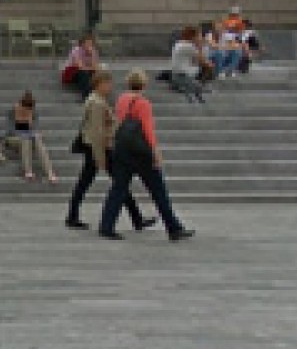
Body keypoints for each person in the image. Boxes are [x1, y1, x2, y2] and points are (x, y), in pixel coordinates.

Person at [98, 69, 194, 242]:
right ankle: (173, 227)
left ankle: (106, 225)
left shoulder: (121, 99)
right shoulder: (143, 103)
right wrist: (155, 152)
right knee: (158, 190)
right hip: (141, 152)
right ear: (144, 84)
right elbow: (148, 130)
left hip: (122, 149)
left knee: (118, 189)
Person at [66, 69, 155, 232]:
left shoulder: (97, 100)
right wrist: (100, 156)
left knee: (107, 183)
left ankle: (136, 217)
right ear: (100, 84)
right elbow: (97, 131)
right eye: (108, 83)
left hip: (97, 147)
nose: (110, 87)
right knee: (118, 183)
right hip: (98, 148)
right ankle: (136, 218)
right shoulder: (97, 103)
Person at [9, 89, 60, 185]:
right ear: (20, 105)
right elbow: (9, 130)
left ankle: (50, 173)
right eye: (25, 109)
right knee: (26, 139)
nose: (26, 111)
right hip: (14, 138)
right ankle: (28, 171)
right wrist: (21, 126)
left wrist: (29, 121)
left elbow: (35, 128)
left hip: (30, 136)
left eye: (29, 109)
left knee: (37, 139)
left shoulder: (33, 113)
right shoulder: (12, 111)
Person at [163, 27, 208, 104]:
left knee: (199, 73)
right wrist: (200, 47)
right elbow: (204, 62)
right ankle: (184, 86)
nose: (200, 38)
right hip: (182, 76)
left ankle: (180, 86)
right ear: (193, 37)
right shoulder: (188, 46)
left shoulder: (179, 44)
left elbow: (194, 61)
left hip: (176, 74)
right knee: (207, 73)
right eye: (199, 36)